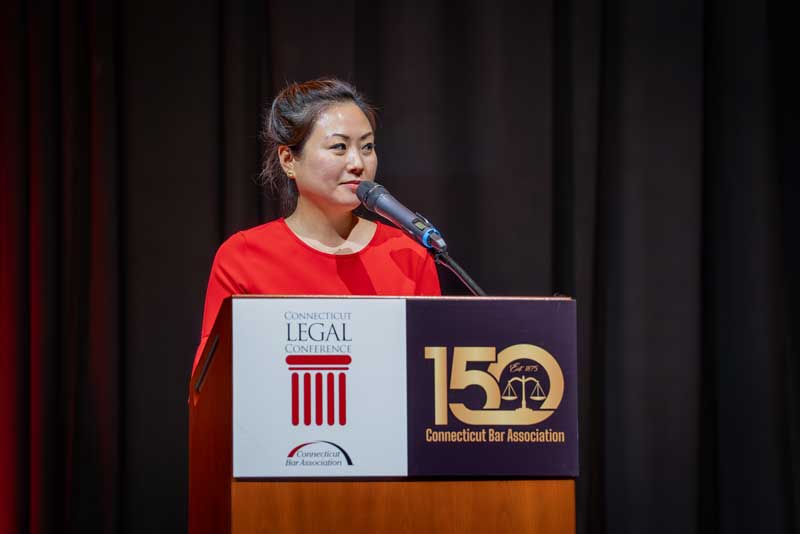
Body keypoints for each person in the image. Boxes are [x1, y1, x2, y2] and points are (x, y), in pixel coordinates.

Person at [193, 78, 441, 373]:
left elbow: (432, 375)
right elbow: (212, 381)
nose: (357, 163)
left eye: (367, 147)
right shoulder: (244, 257)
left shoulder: (407, 254)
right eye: (339, 147)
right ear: (288, 160)